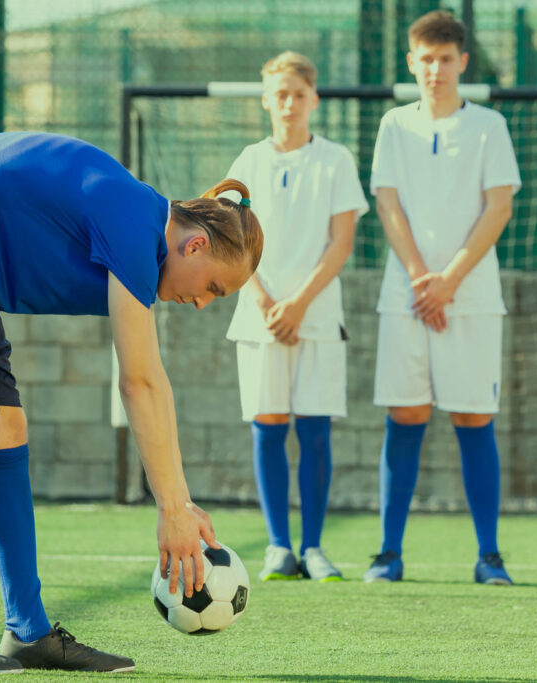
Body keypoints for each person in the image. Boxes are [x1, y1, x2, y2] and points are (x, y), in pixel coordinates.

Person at [0, 131, 262, 672]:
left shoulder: (143, 227)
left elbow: (152, 379)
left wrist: (181, 502)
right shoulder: (134, 222)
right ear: (194, 246)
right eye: (213, 288)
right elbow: (139, 382)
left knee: (8, 428)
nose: (200, 304)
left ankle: (27, 631)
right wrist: (171, 509)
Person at [363, 10, 521, 585]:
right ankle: (388, 553)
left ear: (463, 62)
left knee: (474, 416)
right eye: (425, 59)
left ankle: (489, 556)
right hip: (405, 296)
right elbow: (388, 203)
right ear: (411, 62)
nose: (435, 69)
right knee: (404, 415)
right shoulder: (393, 125)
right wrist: (420, 278)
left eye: (445, 59)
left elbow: (498, 206)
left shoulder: (490, 127)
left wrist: (449, 281)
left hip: (470, 300)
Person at [225, 52, 369, 582]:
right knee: (268, 426)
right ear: (266, 99)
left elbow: (342, 241)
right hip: (258, 318)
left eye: (298, 94)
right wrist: (264, 299)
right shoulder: (247, 162)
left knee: (315, 430)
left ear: (314, 99)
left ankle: (313, 547)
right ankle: (278, 547)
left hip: (317, 315)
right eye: (279, 94)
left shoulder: (336, 160)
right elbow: (231, 243)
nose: (289, 103)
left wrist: (299, 303)